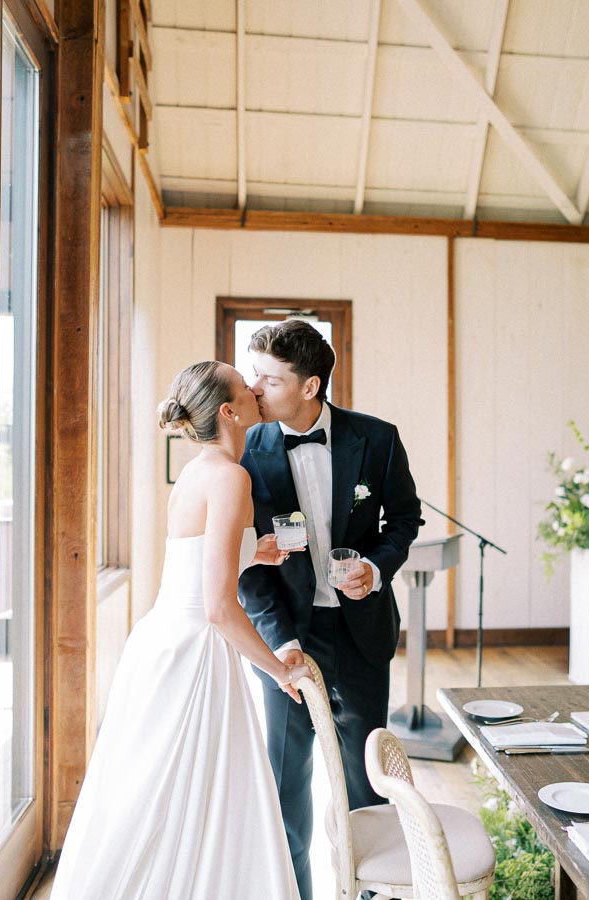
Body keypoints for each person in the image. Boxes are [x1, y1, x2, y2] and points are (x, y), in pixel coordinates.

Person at [50, 361, 308, 900]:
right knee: (178, 796)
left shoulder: (199, 470)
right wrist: (279, 668)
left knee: (158, 796)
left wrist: (250, 551)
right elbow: (217, 607)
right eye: (246, 386)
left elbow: (198, 563)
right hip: (194, 652)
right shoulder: (231, 476)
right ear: (229, 411)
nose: (258, 389)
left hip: (164, 640)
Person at [239, 320, 423, 900]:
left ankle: (369, 892)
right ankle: (297, 892)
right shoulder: (247, 452)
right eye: (254, 374)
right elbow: (247, 564)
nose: (254, 387)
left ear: (310, 385)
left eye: (268, 378)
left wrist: (376, 569)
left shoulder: (378, 438)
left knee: (367, 777)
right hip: (287, 639)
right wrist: (279, 644)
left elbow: (405, 520)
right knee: (286, 782)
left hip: (361, 628)